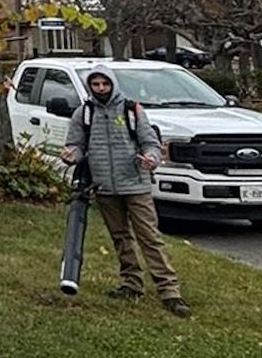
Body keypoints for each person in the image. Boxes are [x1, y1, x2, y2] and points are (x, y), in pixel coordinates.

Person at [60, 68, 192, 317]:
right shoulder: (85, 113)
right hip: (105, 188)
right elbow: (76, 145)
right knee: (121, 237)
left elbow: (150, 142)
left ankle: (169, 291)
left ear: (113, 84)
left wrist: (151, 159)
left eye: (104, 83)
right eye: (96, 84)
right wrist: (70, 156)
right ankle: (131, 283)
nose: (100, 88)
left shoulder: (132, 110)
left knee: (149, 238)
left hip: (135, 184)